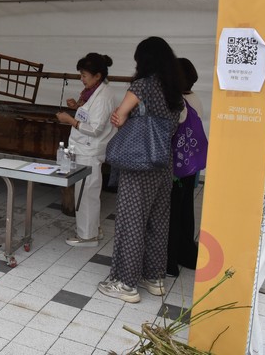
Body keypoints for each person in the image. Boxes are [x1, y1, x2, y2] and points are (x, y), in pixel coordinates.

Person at [98, 36, 184, 304]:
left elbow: (119, 117)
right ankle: (154, 278)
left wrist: (123, 116)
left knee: (131, 221)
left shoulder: (142, 85)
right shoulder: (174, 90)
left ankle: (125, 283)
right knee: (158, 220)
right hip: (163, 162)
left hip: (139, 162)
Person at [56, 53, 117, 247]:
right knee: (87, 192)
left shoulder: (103, 96)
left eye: (84, 75)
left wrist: (70, 120)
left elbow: (95, 129)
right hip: (84, 147)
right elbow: (89, 116)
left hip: (90, 150)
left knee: (86, 193)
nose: (81, 79)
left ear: (97, 76)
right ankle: (93, 230)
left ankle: (87, 236)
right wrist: (77, 107)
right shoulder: (92, 92)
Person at [166, 57, 204, 276]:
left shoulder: (179, 102)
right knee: (186, 208)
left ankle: (170, 261)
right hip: (191, 163)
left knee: (172, 212)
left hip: (176, 166)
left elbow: (171, 128)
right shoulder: (195, 97)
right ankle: (186, 252)